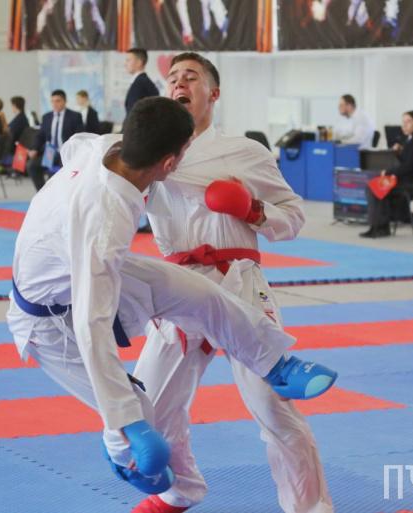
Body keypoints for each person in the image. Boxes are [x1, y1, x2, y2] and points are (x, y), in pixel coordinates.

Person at [8, 97, 337, 497]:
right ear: (169, 162)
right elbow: (91, 325)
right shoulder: (105, 223)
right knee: (140, 413)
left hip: (73, 265)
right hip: (47, 321)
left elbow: (73, 145)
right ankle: (125, 456)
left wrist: (249, 207)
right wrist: (129, 422)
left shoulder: (106, 146)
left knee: (200, 293)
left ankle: (275, 364)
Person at [132, 53, 334, 513]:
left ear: (213, 94)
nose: (180, 83)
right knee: (146, 407)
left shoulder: (245, 152)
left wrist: (251, 209)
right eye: (173, 78)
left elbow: (293, 216)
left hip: (237, 281)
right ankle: (179, 490)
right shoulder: (147, 153)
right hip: (178, 285)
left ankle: (310, 507)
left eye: (191, 77)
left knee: (272, 404)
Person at [360, 110, 413, 238]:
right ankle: (382, 225)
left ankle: (379, 227)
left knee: (372, 187)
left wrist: (387, 172)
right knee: (377, 183)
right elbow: (410, 162)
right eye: (403, 122)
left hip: (409, 183)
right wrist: (400, 152)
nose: (404, 125)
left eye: (408, 121)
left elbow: (408, 167)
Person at [27, 89, 84, 191]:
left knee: (60, 172)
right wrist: (34, 148)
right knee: (32, 165)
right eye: (52, 101)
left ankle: (62, 194)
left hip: (66, 152)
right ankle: (43, 193)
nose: (54, 104)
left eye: (58, 101)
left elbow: (80, 137)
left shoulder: (75, 116)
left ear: (65, 101)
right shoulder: (47, 117)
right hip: (50, 153)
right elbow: (40, 136)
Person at [125, 48, 159, 115]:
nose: (125, 64)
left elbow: (133, 113)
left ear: (139, 63)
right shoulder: (143, 82)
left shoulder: (140, 83)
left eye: (128, 60)